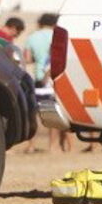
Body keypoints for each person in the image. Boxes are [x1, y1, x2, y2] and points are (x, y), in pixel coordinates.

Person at [23, 13, 68, 152]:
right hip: (55, 78)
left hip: (38, 77)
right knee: (53, 113)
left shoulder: (32, 37)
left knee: (33, 114)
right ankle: (53, 145)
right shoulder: (59, 36)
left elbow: (28, 59)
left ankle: (31, 145)